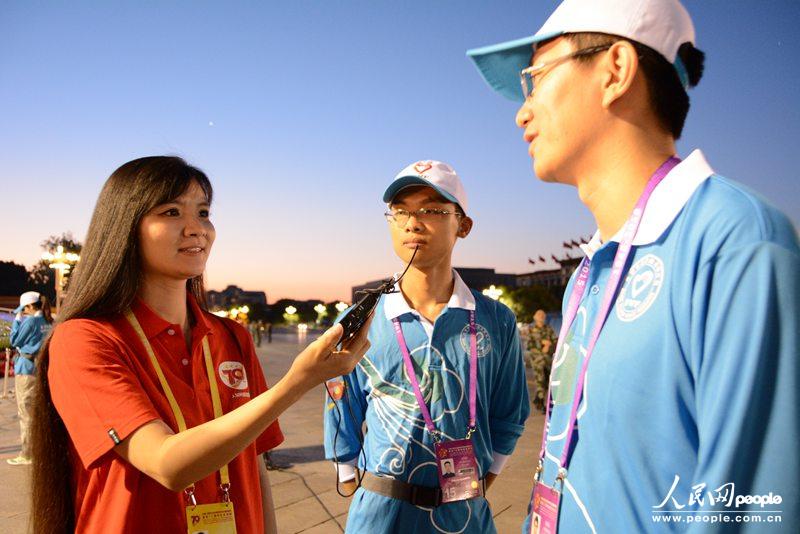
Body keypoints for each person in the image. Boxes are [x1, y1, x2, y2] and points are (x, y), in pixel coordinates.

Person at [467, 0, 799, 531]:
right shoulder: (591, 269)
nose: (521, 111)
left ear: (615, 70)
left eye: (536, 76)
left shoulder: (734, 242)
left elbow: (756, 511)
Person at [29, 156, 370, 534]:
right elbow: (166, 464)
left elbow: (254, 466)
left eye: (204, 212)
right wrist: (298, 382)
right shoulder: (86, 339)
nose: (197, 229)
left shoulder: (231, 337)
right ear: (125, 227)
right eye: (172, 211)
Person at [323, 160, 530, 533]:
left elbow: (509, 411)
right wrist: (352, 480)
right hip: (380, 513)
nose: (412, 223)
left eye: (432, 210)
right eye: (400, 212)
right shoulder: (361, 319)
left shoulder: (495, 320)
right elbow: (342, 406)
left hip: (464, 514)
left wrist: (483, 477)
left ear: (463, 225)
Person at [7, 291, 52, 466]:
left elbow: (14, 340)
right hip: (40, 369)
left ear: (30, 306)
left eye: (24, 309)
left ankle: (27, 453)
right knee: (37, 412)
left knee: (25, 412)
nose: (23, 312)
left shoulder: (32, 321)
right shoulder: (47, 321)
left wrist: (17, 321)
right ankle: (38, 451)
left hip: (26, 369)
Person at [527, 310, 556, 413]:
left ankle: (538, 399)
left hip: (547, 360)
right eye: (539, 315)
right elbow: (529, 345)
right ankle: (542, 403)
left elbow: (555, 341)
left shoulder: (548, 329)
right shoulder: (531, 329)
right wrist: (541, 343)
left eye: (543, 315)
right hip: (537, 360)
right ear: (535, 317)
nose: (541, 316)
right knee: (540, 379)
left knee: (547, 382)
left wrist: (549, 345)